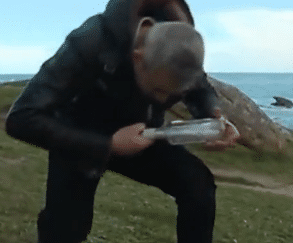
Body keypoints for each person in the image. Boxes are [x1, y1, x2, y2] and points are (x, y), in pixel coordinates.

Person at [5, 1, 239, 242]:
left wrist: (213, 117)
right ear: (137, 57)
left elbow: (200, 88)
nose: (165, 100)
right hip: (80, 136)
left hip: (142, 136)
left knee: (197, 185)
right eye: (159, 91)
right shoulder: (91, 40)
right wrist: (106, 145)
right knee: (65, 229)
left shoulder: (180, 44)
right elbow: (22, 118)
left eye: (173, 94)